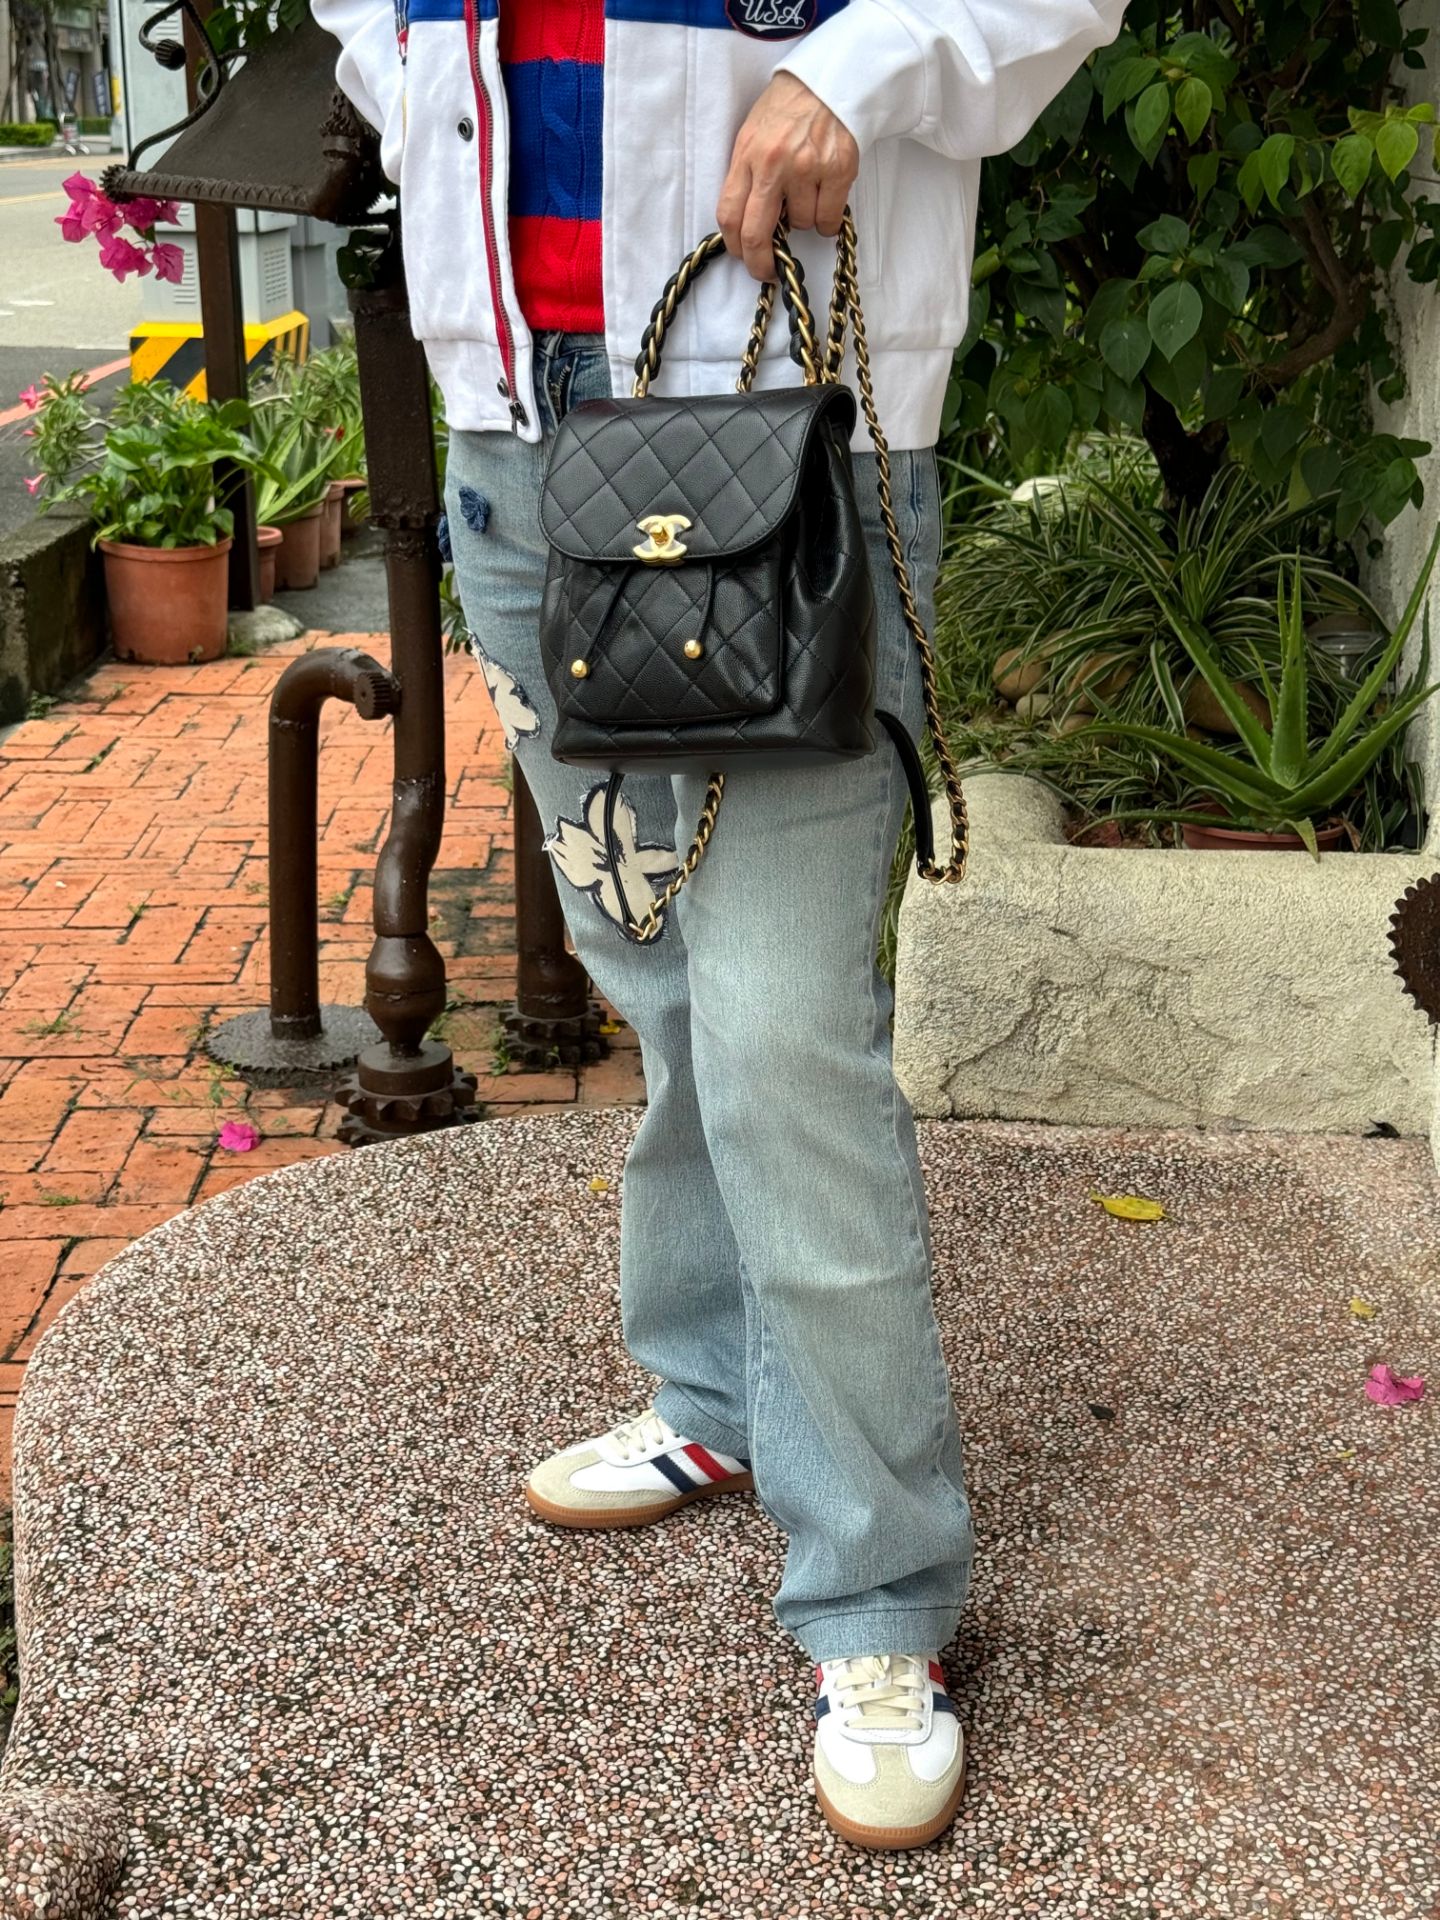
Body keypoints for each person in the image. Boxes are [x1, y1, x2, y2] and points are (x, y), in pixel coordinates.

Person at [312, 0, 1127, 1851]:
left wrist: (859, 64)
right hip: (513, 427)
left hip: (784, 422)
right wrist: (412, 85)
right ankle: (714, 1392)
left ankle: (877, 1590)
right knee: (659, 972)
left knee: (776, 1026)